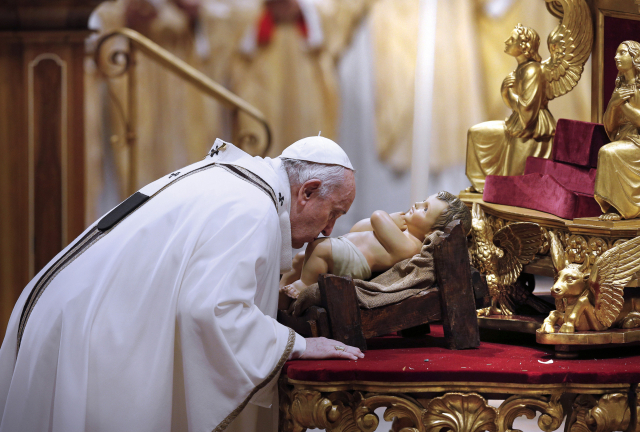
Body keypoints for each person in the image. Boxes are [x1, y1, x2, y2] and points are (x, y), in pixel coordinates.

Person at [0, 136, 363, 432]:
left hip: (71, 313)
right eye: (334, 213)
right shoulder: (253, 208)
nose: (329, 230)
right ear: (308, 191)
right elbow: (212, 311)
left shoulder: (240, 180)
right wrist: (297, 344)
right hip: (88, 335)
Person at [279, 191, 472, 309]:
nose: (417, 205)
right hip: (344, 250)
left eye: (425, 209)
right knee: (301, 258)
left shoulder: (411, 246)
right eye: (423, 201)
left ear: (432, 231)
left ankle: (305, 286)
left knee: (317, 246)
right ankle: (280, 299)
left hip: (355, 264)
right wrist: (392, 222)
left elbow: (377, 217)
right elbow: (358, 228)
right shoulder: (401, 231)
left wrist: (388, 218)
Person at [465, 24, 555, 193]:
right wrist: (506, 94)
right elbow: (519, 108)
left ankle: (496, 190)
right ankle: (482, 184)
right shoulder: (521, 69)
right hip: (517, 125)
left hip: (532, 132)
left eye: (512, 39)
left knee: (512, 183)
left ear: (523, 46)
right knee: (476, 133)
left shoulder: (532, 71)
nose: (507, 41)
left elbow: (527, 112)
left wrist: (508, 94)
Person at [595, 41, 640, 221]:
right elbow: (611, 127)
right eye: (616, 53)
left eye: (622, 53)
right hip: (625, 140)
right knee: (609, 151)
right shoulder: (619, 88)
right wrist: (613, 105)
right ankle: (616, 206)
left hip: (638, 141)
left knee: (607, 152)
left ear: (635, 57)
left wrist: (623, 106)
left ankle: (620, 208)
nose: (616, 57)